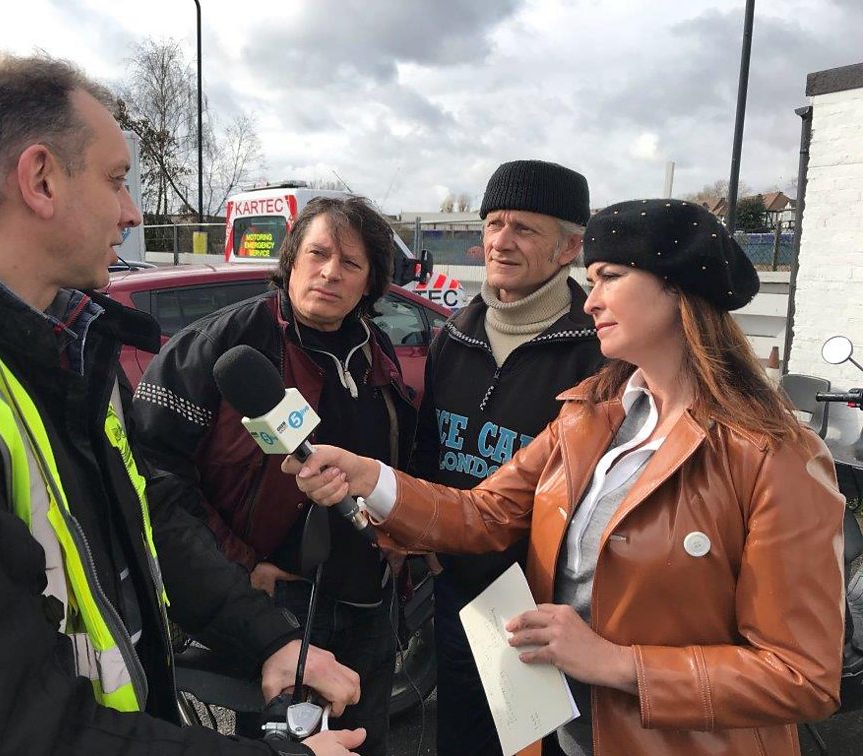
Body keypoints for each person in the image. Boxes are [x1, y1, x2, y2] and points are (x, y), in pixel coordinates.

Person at [0, 52, 364, 756]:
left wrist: (268, 640)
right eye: (118, 180)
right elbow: (13, 726)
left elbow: (142, 513)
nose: (131, 213)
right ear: (40, 180)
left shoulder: (60, 338)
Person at [285, 199, 846, 755]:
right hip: (560, 731)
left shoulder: (776, 458)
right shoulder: (590, 416)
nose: (593, 299)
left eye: (611, 278)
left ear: (679, 293)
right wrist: (370, 478)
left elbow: (801, 675)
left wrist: (619, 664)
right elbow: (484, 513)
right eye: (592, 279)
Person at [132, 195, 418, 756]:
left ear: (371, 282)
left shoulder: (374, 350)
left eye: (351, 263)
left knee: (366, 744)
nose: (331, 272)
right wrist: (240, 564)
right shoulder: (221, 346)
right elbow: (155, 477)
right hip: (278, 605)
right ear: (291, 259)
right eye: (318, 253)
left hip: (370, 599)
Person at [413, 159, 603, 756]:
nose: (500, 241)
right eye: (494, 222)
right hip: (458, 591)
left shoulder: (599, 350)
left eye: (524, 228)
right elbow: (428, 454)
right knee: (462, 737)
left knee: (538, 746)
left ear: (569, 246)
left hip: (544, 607)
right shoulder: (454, 335)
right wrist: (433, 551)